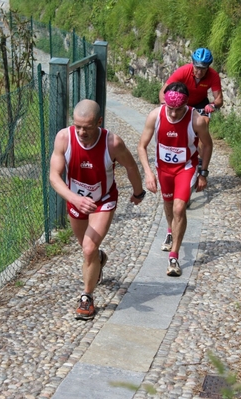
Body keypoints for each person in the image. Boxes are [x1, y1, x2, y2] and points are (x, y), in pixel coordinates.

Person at [50, 99, 145, 320]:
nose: (82, 132)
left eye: (88, 127)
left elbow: (131, 166)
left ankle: (87, 298)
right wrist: (75, 199)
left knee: (89, 248)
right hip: (76, 200)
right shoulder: (64, 138)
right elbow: (54, 177)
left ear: (99, 122)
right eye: (78, 126)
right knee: (86, 247)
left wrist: (138, 192)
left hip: (103, 199)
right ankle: (100, 259)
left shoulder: (113, 143)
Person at [138, 82, 213, 277]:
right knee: (168, 203)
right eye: (170, 109)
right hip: (163, 169)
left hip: (185, 168)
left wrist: (203, 172)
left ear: (186, 105)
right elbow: (141, 146)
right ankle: (170, 230)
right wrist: (148, 172)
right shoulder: (155, 116)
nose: (172, 114)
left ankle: (174, 256)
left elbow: (208, 145)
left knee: (179, 208)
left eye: (178, 110)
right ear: (165, 104)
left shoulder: (196, 120)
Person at [159, 47, 222, 164]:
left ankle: (200, 161)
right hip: (182, 102)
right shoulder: (183, 71)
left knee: (204, 124)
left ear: (208, 67)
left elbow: (219, 99)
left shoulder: (213, 76)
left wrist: (213, 105)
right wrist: (164, 106)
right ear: (192, 63)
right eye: (197, 67)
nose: (199, 72)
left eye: (203, 69)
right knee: (176, 125)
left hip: (200, 103)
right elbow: (163, 91)